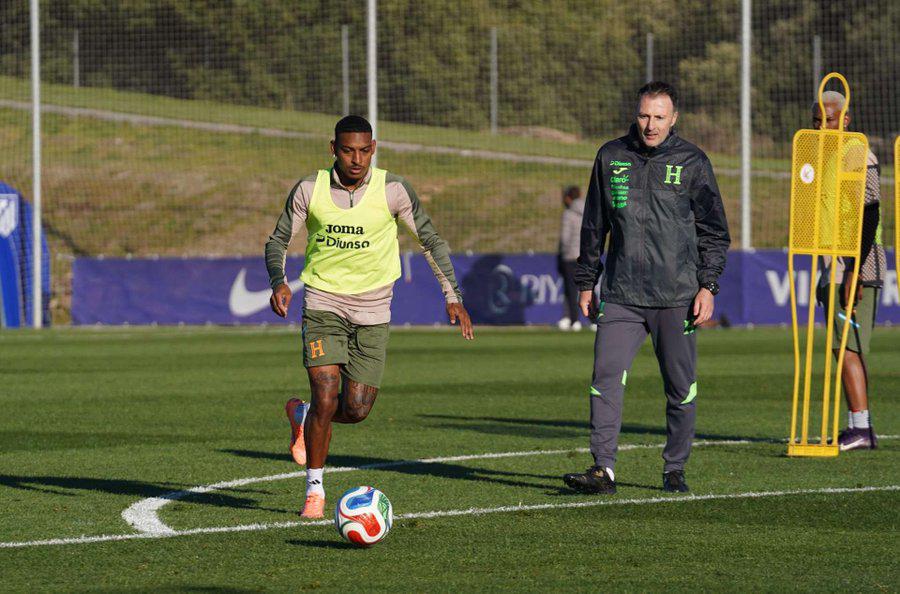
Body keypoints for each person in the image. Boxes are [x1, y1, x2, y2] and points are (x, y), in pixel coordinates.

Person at [265, 115, 474, 518]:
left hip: (374, 310)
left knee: (356, 408)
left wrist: (453, 296)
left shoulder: (393, 189)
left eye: (363, 150)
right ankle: (314, 492)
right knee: (326, 393)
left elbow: (429, 240)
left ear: (373, 148)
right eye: (347, 150)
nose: (356, 159)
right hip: (324, 304)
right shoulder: (309, 189)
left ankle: (303, 415)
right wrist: (280, 280)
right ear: (333, 149)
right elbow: (277, 240)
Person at [563, 81, 730, 495]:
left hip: (677, 297)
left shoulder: (693, 161)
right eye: (644, 115)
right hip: (621, 295)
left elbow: (714, 231)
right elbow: (593, 225)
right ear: (635, 114)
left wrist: (707, 285)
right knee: (604, 378)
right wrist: (587, 281)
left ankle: (674, 468)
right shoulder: (611, 156)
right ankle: (603, 469)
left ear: (674, 119)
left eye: (659, 117)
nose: (650, 124)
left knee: (680, 387)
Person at [812, 91, 884, 451]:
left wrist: (854, 272)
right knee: (841, 346)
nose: (822, 127)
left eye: (829, 119)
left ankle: (861, 426)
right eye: (816, 121)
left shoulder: (856, 153)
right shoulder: (820, 157)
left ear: (846, 119)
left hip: (856, 263)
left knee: (848, 346)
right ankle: (859, 425)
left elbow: (869, 212)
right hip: (831, 264)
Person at [558, 185, 586, 331]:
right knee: (588, 286)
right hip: (586, 255)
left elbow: (565, 238)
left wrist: (562, 254)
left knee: (571, 289)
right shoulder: (588, 210)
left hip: (570, 256)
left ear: (568, 198)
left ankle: (574, 320)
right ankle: (594, 319)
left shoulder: (569, 214)